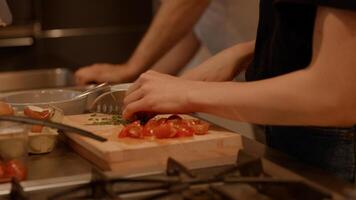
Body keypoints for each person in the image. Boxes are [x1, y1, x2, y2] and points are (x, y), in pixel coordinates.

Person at [123, 0, 356, 182]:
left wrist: (188, 94)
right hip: (295, 132)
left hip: (334, 144)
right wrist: (246, 52)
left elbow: (336, 96)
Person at [74, 0, 259, 85]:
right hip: (254, 76)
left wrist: (130, 68)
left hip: (276, 75)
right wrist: (144, 80)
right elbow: (188, 28)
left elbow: (190, 3)